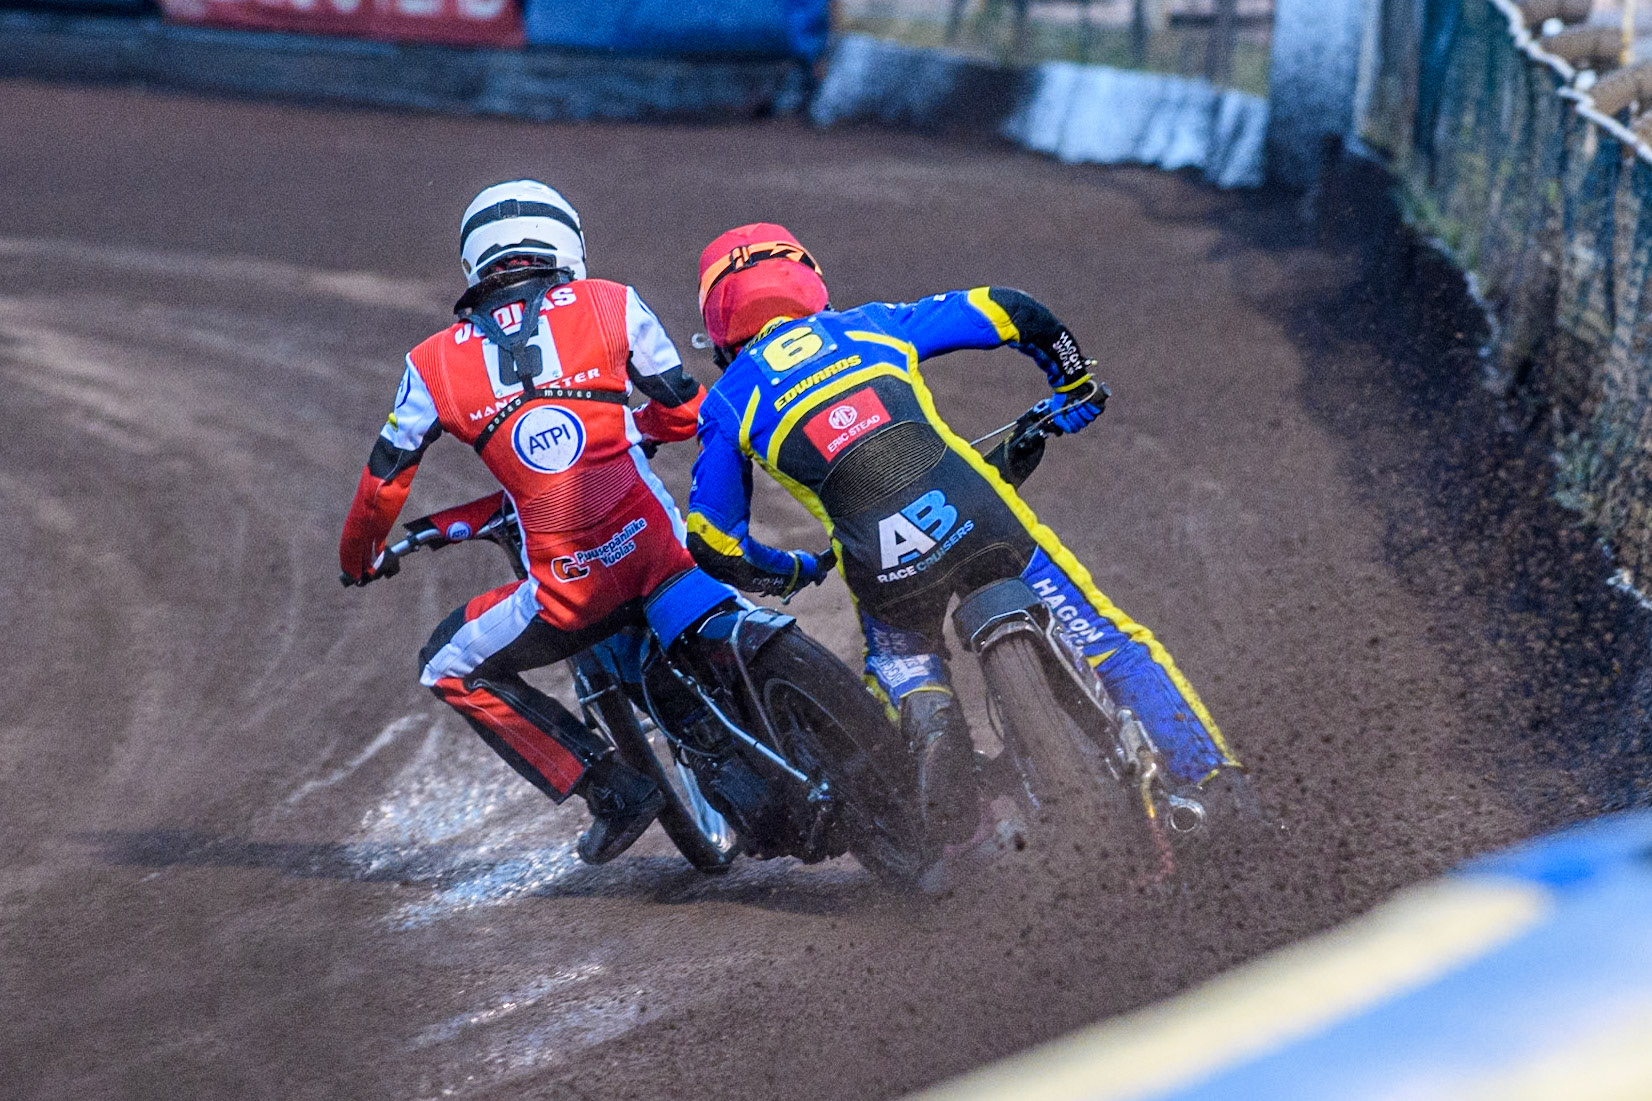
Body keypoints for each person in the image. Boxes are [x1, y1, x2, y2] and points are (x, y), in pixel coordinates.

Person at [684, 223, 1244, 841]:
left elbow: (714, 543)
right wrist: (1074, 382)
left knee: (902, 666)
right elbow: (1011, 308)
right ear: (807, 278)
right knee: (1113, 643)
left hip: (884, 574)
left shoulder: (728, 403)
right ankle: (1221, 788)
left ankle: (952, 798)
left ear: (719, 324)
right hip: (978, 515)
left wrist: (795, 571)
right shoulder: (868, 326)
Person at [338, 179, 712, 865]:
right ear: (568, 243)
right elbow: (685, 413)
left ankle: (610, 789)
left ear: (472, 264)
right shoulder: (614, 301)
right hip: (662, 548)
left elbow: (382, 481)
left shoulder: (430, 363)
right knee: (721, 554)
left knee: (448, 664)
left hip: (574, 592)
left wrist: (359, 555)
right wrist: (632, 431)